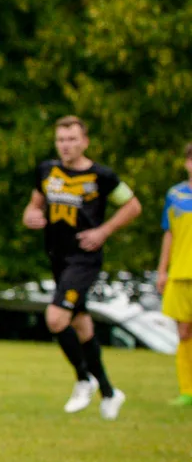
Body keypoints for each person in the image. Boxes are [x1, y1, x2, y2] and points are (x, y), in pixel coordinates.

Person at [24, 116, 140, 418]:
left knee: (55, 318)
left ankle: (83, 379)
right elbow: (35, 204)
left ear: (85, 142)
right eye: (61, 140)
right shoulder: (47, 171)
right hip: (58, 257)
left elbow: (133, 206)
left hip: (84, 259)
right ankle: (110, 393)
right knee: (81, 325)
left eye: (72, 139)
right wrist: (31, 215)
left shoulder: (101, 176)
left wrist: (104, 231)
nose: (66, 145)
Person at [159, 141, 192, 407]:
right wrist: (162, 270)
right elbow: (168, 233)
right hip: (180, 273)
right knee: (184, 333)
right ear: (186, 163)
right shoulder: (175, 195)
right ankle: (187, 391)